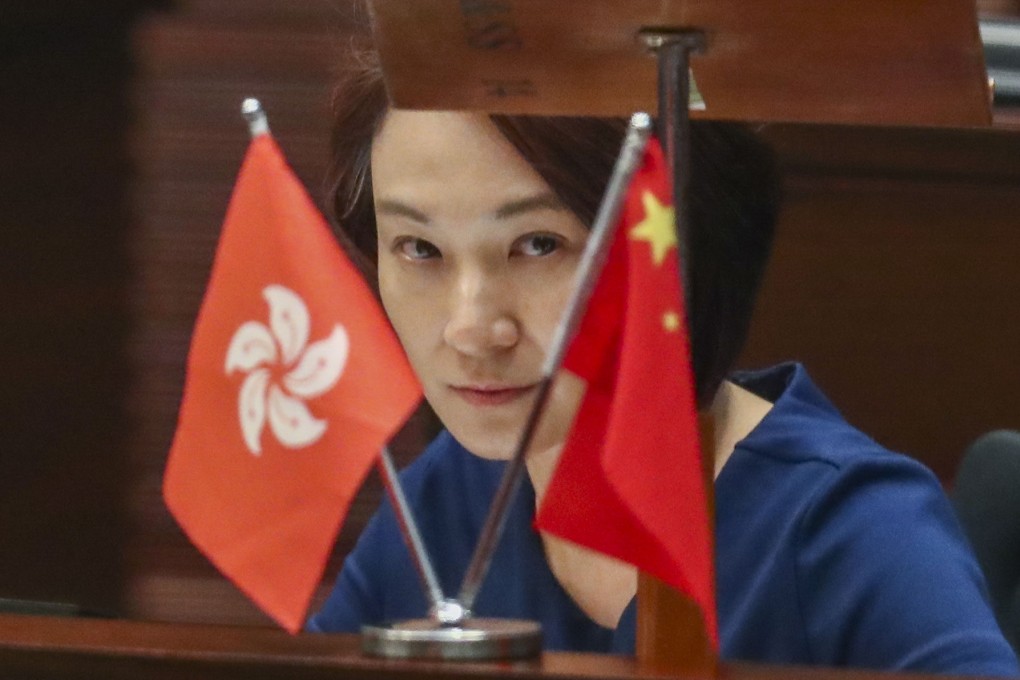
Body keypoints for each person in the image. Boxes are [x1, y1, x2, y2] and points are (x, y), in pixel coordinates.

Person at [306, 35, 1019, 677]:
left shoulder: (851, 528)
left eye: (539, 245)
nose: (470, 328)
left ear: (667, 246)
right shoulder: (447, 498)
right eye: (419, 248)